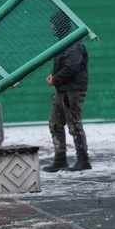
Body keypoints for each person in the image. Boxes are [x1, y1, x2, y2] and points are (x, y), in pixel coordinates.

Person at [43, 10, 91, 172]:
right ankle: (60, 159)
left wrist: (55, 79)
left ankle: (83, 161)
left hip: (72, 91)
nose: (51, 28)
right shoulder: (65, 42)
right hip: (63, 91)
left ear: (59, 25)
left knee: (74, 125)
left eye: (54, 24)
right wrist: (54, 76)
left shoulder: (73, 43)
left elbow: (72, 66)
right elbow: (67, 65)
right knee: (55, 124)